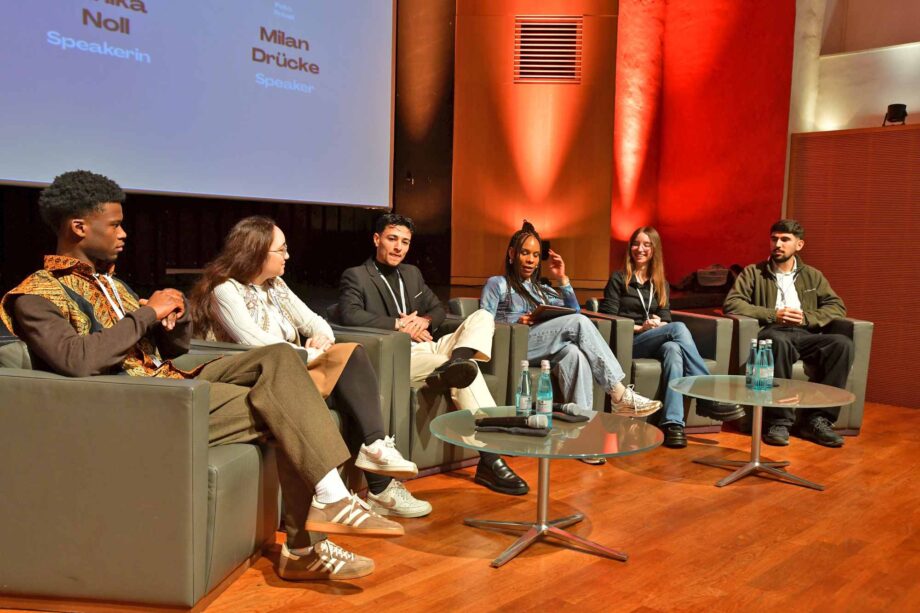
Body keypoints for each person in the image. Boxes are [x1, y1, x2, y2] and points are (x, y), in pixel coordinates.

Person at [0, 170, 402, 583]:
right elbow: (76, 359)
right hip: (138, 408)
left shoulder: (114, 285)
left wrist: (175, 319)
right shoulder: (35, 295)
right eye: (115, 224)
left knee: (281, 358)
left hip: (169, 383)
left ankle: (328, 503)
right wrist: (146, 314)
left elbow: (170, 350)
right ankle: (309, 536)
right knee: (285, 405)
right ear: (78, 227)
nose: (124, 233)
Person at [188, 216, 431, 519]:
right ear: (257, 252)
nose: (288, 255)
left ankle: (376, 453)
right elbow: (253, 342)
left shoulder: (276, 285)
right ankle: (379, 483)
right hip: (261, 377)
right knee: (351, 379)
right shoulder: (225, 290)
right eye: (281, 250)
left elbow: (315, 321)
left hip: (296, 367)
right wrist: (307, 352)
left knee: (352, 362)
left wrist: (321, 339)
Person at [337, 213, 529, 496]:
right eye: (392, 239)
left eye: (405, 242)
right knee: (459, 369)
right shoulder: (357, 275)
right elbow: (349, 314)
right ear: (377, 239)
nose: (398, 247)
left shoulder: (411, 274)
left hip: (430, 344)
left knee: (483, 317)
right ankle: (491, 458)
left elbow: (437, 308)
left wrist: (425, 320)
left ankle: (458, 361)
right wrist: (399, 325)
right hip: (400, 356)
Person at [481, 221, 663, 422]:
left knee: (574, 354)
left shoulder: (542, 289)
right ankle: (619, 394)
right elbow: (483, 323)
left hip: (543, 346)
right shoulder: (497, 284)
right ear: (512, 253)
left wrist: (562, 279)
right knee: (578, 322)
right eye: (525, 253)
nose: (531, 260)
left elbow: (574, 309)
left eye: (535, 255)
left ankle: (582, 427)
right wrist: (516, 322)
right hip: (514, 347)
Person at [599, 227, 744, 449]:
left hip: (653, 339)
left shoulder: (660, 282)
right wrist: (640, 328)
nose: (640, 249)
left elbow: (665, 317)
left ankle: (673, 423)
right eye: (636, 244)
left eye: (646, 244)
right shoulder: (619, 279)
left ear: (654, 249)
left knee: (673, 350)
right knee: (678, 329)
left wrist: (659, 324)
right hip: (628, 342)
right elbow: (609, 319)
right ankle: (707, 393)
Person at [723, 219, 853, 447]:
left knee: (842, 344)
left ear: (799, 245)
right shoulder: (754, 273)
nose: (778, 244)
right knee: (776, 341)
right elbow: (733, 303)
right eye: (774, 239)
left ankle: (818, 420)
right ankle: (778, 422)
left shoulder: (812, 275)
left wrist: (807, 318)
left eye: (785, 240)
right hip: (773, 331)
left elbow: (836, 306)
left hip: (806, 333)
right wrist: (774, 315)